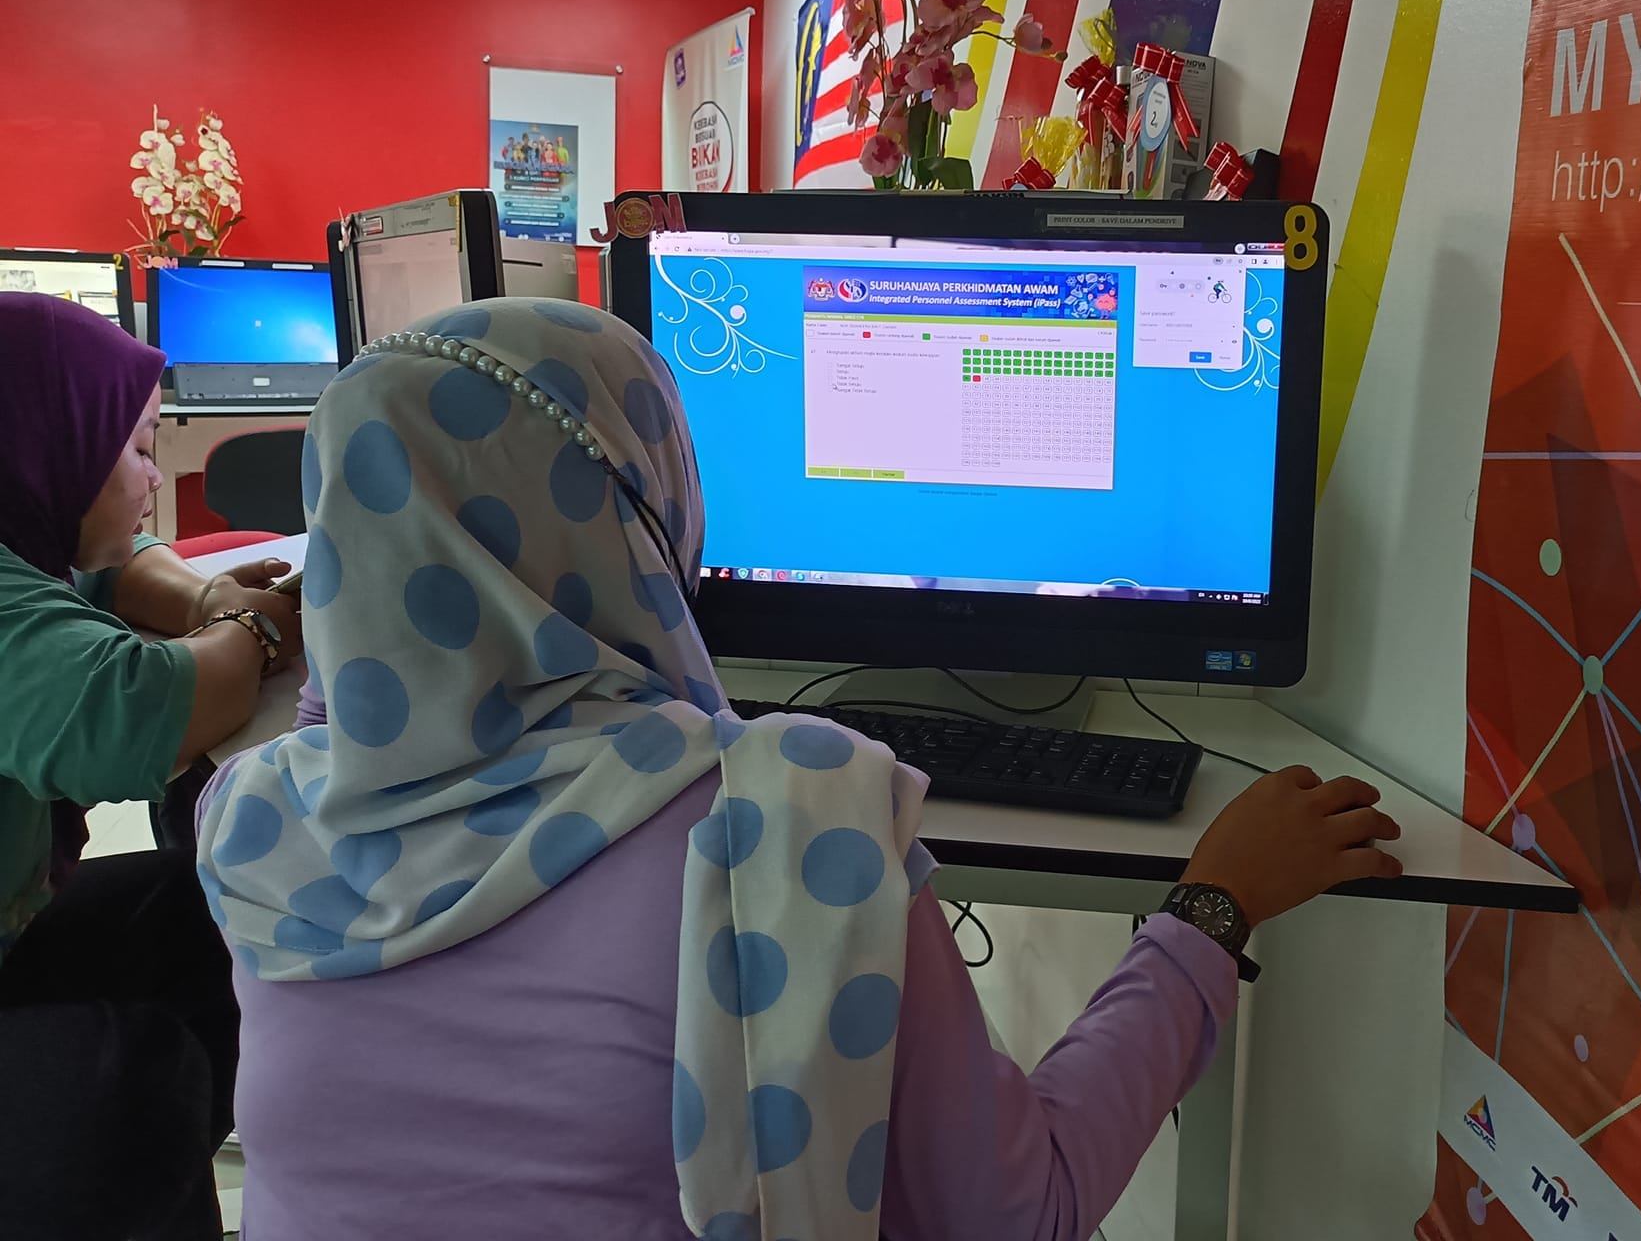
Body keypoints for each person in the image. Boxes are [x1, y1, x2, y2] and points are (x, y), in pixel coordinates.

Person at [197, 298, 1400, 1240]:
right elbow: (1017, 1217)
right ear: (643, 508)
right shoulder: (781, 824)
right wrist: (1209, 910)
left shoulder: (255, 821)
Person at [0, 293, 305, 1240]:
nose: (152, 476)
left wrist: (208, 601)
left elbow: (118, 562)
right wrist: (255, 629)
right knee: (137, 1080)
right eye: (134, 448)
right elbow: (144, 713)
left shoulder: (20, 532)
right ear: (45, 447)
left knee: (205, 908)